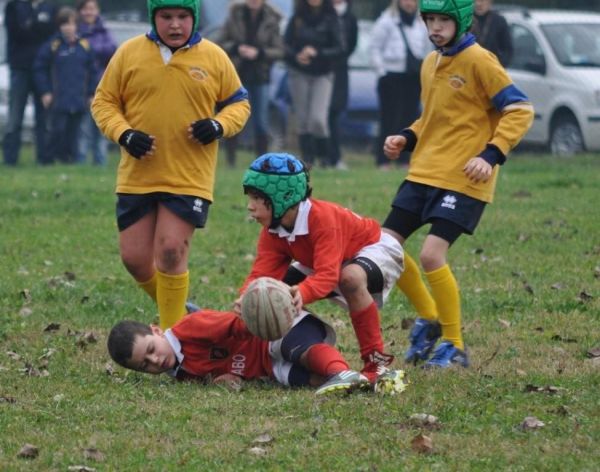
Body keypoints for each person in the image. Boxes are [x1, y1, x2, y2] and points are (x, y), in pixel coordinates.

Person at [381, 0, 534, 368]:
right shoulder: (430, 62)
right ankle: (429, 318)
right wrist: (407, 136)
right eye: (429, 19)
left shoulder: (480, 60)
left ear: (462, 21)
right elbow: (435, 117)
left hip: (465, 177)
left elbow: (520, 109)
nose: (434, 27)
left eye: (442, 20)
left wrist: (491, 155)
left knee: (432, 255)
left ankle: (454, 344)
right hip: (424, 172)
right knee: (385, 249)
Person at [91, 0, 251, 330]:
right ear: (154, 17)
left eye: (182, 16)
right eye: (166, 17)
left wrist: (218, 125)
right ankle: (180, 309)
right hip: (138, 176)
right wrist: (125, 134)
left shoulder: (214, 56)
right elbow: (103, 102)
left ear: (193, 18)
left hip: (188, 176)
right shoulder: (129, 53)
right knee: (135, 260)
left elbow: (239, 103)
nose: (175, 24)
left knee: (171, 251)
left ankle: (174, 338)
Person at [238, 153, 405, 383]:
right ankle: (295, 350)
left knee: (350, 279)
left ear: (282, 196)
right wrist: (247, 298)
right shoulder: (272, 231)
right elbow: (261, 274)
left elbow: (328, 275)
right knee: (272, 291)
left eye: (257, 198)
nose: (250, 207)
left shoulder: (322, 219)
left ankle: (376, 364)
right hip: (327, 261)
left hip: (375, 249)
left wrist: (303, 292)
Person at [107, 306, 381, 395]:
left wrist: (263, 312)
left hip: (277, 330)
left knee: (297, 351)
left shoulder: (191, 328)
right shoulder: (179, 373)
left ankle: (342, 372)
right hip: (268, 367)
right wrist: (225, 380)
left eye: (152, 349)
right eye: (145, 364)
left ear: (156, 330)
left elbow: (240, 325)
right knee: (305, 380)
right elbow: (220, 371)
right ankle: (363, 384)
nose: (155, 360)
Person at [216, 0, 285, 168]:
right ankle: (230, 161)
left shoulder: (272, 19)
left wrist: (259, 53)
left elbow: (280, 50)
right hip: (237, 75)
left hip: (261, 76)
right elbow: (219, 44)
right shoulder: (234, 16)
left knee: (261, 121)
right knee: (234, 117)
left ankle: (262, 164)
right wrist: (237, 48)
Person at [33, 6, 98, 164]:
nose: (68, 28)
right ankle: (47, 160)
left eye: (71, 24)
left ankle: (70, 160)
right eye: (64, 24)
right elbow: (39, 69)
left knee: (74, 133)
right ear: (59, 26)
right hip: (58, 98)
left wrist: (91, 93)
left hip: (78, 98)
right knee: (56, 130)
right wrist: (45, 92)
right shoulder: (52, 46)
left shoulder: (85, 46)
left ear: (76, 25)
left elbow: (93, 72)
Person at [283, 0, 344, 167]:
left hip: (323, 73)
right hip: (299, 73)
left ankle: (324, 158)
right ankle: (307, 160)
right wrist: (297, 55)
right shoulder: (297, 18)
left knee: (318, 119)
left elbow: (340, 48)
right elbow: (285, 45)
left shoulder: (331, 19)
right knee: (302, 120)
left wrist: (317, 53)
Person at [370, 0, 430, 169]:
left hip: (413, 76)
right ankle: (383, 160)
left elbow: (427, 49)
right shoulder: (386, 21)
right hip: (391, 76)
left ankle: (405, 159)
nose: (409, 4)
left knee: (410, 118)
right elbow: (375, 49)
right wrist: (382, 72)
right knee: (389, 118)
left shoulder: (421, 23)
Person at [3, 0, 56, 166]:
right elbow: (16, 32)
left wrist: (30, 25)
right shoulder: (13, 6)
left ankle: (44, 159)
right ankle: (10, 160)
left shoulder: (50, 7)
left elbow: (51, 34)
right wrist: (38, 26)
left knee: (44, 118)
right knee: (15, 117)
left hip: (43, 70)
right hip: (20, 68)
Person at [75, 0, 117, 166]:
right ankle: (81, 161)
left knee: (101, 126)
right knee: (82, 128)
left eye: (92, 8)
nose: (88, 12)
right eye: (85, 9)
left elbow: (113, 52)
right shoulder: (75, 29)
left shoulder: (105, 32)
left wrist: (89, 50)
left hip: (101, 86)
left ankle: (101, 162)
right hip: (80, 86)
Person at [327, 0, 358, 170]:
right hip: (322, 69)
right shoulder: (324, 13)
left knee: (334, 114)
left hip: (340, 71)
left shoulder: (350, 18)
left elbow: (351, 44)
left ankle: (335, 156)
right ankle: (322, 155)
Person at [472, 0, 512, 67]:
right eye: (475, 0)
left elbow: (508, 50)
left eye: (482, 1)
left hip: (491, 69)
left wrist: (498, 67)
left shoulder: (499, 21)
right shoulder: (465, 20)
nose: (478, 4)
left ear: (490, 1)